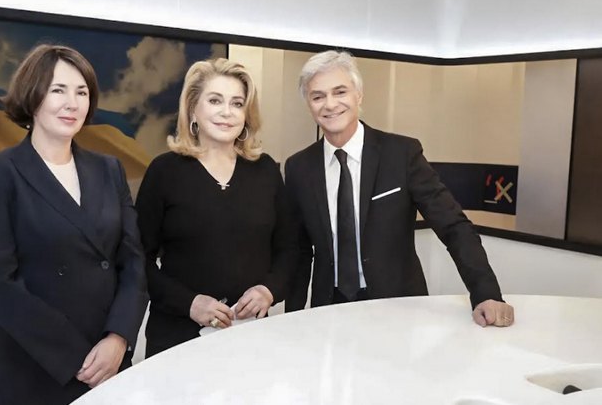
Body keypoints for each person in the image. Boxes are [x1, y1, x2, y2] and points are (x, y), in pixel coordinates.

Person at [0, 44, 149, 405]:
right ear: (33, 97)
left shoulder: (109, 169)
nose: (72, 103)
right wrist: (74, 355)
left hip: (108, 363)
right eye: (58, 90)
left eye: (82, 92)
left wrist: (119, 337)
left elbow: (133, 262)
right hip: (33, 369)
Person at [284, 50, 514, 327]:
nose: (329, 104)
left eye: (340, 92)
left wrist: (486, 293)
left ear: (359, 95)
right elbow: (297, 252)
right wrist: (292, 318)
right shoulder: (298, 167)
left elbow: (453, 226)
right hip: (329, 309)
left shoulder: (402, 154)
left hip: (399, 307)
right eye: (317, 96)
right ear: (308, 104)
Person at [135, 58, 297, 357]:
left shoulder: (266, 171)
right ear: (193, 108)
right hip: (178, 338)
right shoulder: (164, 172)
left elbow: (290, 250)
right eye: (215, 100)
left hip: (252, 336)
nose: (227, 112)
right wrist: (189, 303)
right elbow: (137, 260)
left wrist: (268, 290)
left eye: (237, 103)